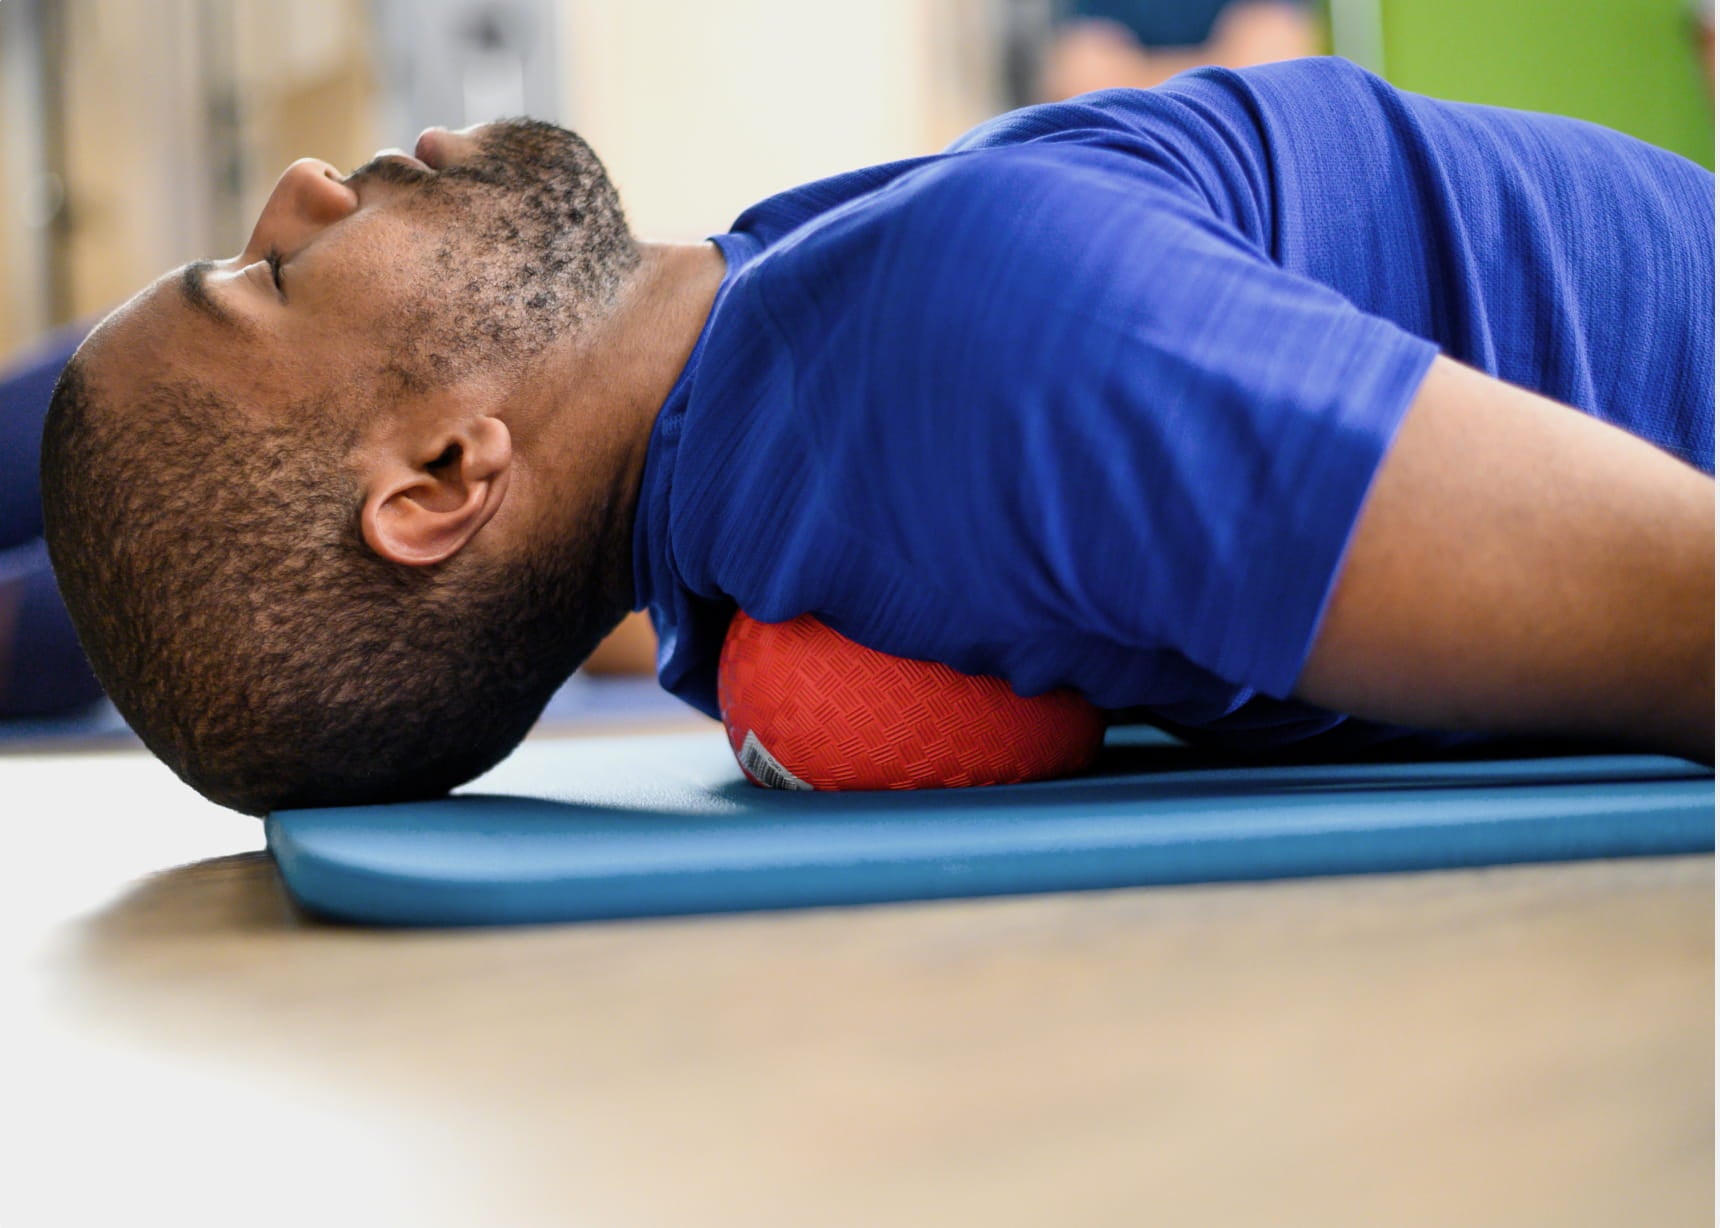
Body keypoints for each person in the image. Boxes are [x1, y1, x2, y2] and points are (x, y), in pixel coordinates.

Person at [39, 57, 1714, 816]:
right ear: (440, 482)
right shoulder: (959, 337)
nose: (305, 190)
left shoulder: (764, 489)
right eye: (263, 278)